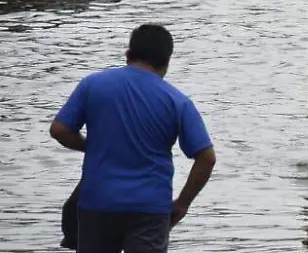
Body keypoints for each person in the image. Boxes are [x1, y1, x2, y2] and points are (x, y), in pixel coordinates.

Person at [50, 24, 216, 253]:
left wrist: (89, 146)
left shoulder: (93, 84)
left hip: (98, 202)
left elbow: (59, 130)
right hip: (150, 207)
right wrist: (182, 203)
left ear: (128, 54)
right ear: (166, 62)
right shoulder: (177, 101)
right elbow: (206, 158)